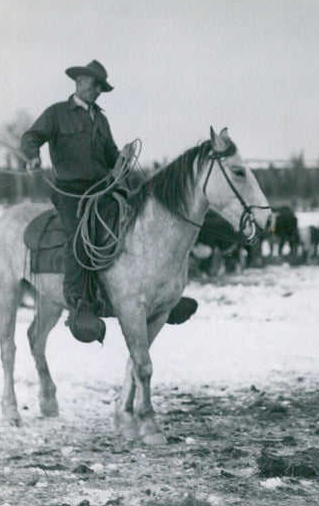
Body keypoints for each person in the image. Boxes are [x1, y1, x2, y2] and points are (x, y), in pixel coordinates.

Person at [21, 59, 197, 343]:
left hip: (103, 189)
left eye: (101, 88)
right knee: (78, 237)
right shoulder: (56, 114)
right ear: (79, 82)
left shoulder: (100, 119)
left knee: (134, 224)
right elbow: (32, 136)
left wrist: (123, 162)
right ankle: (80, 301)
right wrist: (32, 155)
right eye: (94, 85)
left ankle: (160, 293)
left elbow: (110, 153)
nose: (97, 91)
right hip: (70, 192)